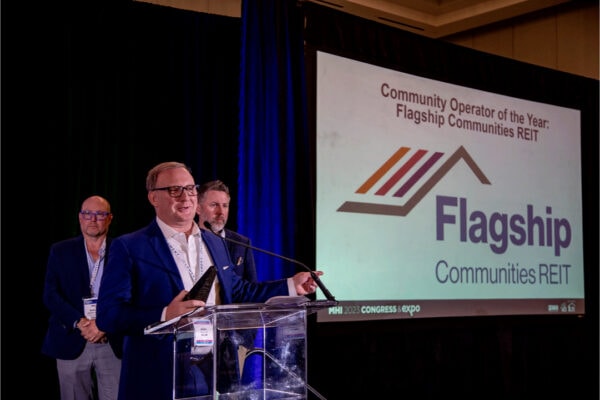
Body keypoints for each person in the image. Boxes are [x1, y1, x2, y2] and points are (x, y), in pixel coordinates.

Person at [96, 161, 322, 400]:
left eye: (191, 189)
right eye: (175, 190)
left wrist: (290, 285)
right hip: (158, 373)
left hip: (213, 369)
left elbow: (238, 291)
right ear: (154, 198)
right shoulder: (130, 246)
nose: (186, 197)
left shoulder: (214, 241)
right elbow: (109, 315)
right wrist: (164, 314)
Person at [41, 195, 122, 400]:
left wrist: (104, 324)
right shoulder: (60, 251)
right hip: (72, 337)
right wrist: (80, 322)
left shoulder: (124, 250)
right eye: (87, 214)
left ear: (110, 218)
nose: (92, 219)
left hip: (111, 339)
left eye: (100, 214)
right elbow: (50, 295)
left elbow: (130, 294)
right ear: (80, 217)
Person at [196, 179, 257, 282]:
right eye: (214, 205)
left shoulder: (241, 244)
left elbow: (251, 287)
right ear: (198, 209)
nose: (221, 212)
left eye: (225, 206)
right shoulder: (187, 240)